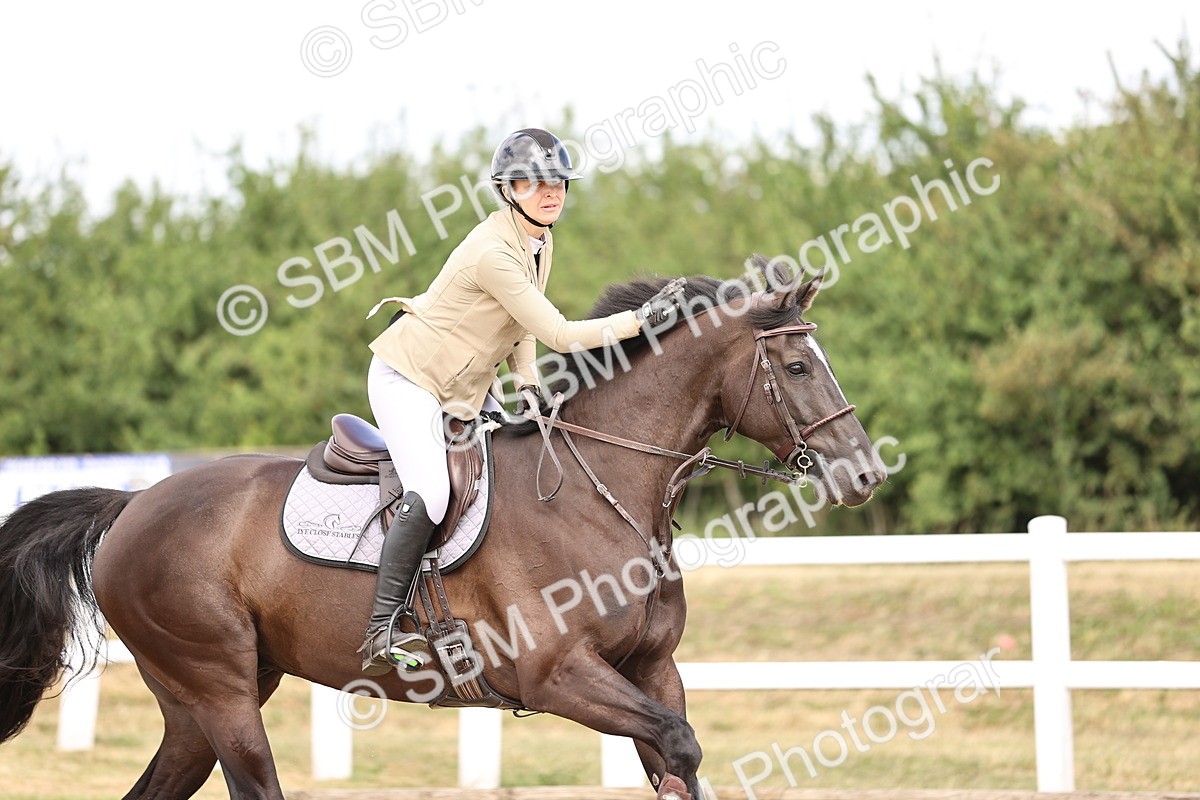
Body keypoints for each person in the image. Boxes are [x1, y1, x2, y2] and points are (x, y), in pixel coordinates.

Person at [359, 128, 683, 674]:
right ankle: (380, 626)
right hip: (408, 379)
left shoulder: (536, 238)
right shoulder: (493, 252)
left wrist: (526, 381)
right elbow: (558, 330)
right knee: (434, 492)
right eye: (533, 182)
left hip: (464, 388)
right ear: (507, 189)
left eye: (557, 181)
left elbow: (521, 323)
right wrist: (641, 320)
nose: (549, 191)